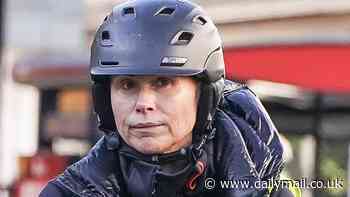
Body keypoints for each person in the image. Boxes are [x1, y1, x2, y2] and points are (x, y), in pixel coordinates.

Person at [40, 0, 300, 196]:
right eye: (127, 85)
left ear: (204, 95)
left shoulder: (266, 187)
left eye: (163, 83)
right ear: (105, 100)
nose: (144, 104)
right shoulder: (68, 192)